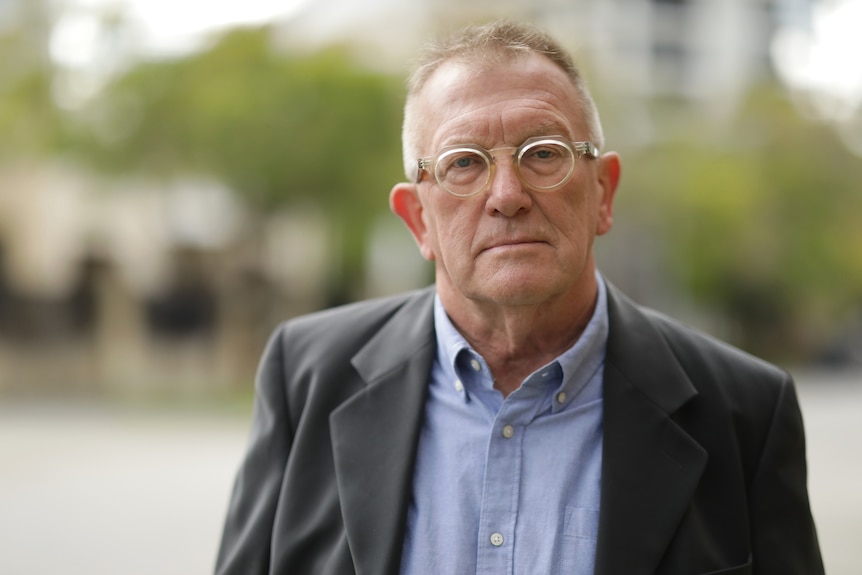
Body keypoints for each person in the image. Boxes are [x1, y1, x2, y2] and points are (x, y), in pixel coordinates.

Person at [215, 21, 824, 575]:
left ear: (603, 193)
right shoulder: (307, 377)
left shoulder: (746, 412)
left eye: (544, 155)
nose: (507, 194)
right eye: (463, 164)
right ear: (417, 219)